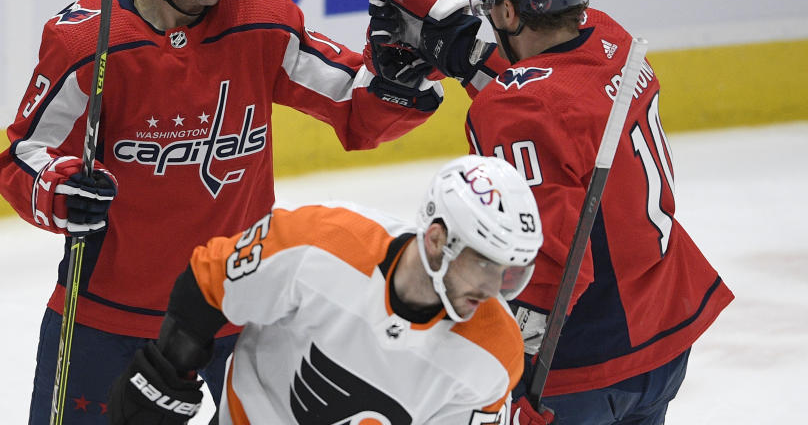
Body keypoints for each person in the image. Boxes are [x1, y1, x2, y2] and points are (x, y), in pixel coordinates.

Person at [0, 0, 443, 425]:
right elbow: (22, 157)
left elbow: (354, 109)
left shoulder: (260, 19)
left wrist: (400, 79)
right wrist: (60, 193)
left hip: (244, 303)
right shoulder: (90, 41)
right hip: (108, 319)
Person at [367, 0, 734, 424]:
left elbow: (549, 261)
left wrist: (513, 377)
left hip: (588, 360)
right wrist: (460, 51)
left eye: (491, 0)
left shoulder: (519, 111)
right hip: (666, 328)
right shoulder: (612, 38)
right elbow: (558, 100)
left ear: (509, 10)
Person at [106, 154, 544, 425]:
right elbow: (210, 280)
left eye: (508, 272)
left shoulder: (496, 352)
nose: (493, 289)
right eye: (485, 263)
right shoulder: (317, 246)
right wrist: (168, 371)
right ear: (436, 239)